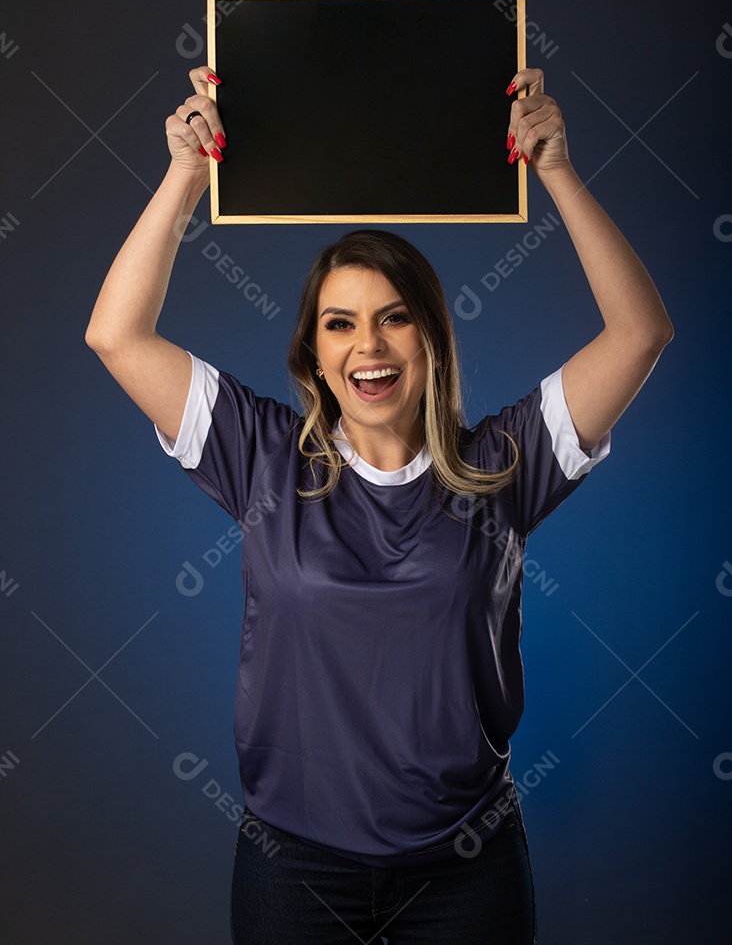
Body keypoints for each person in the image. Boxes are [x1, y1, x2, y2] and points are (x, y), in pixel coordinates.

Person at [85, 65, 673, 944]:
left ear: (432, 340)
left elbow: (640, 333)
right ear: (314, 353)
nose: (369, 345)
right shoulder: (263, 457)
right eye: (340, 322)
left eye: (396, 318)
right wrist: (185, 178)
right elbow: (116, 333)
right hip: (295, 866)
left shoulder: (501, 466)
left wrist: (554, 168)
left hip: (465, 866)